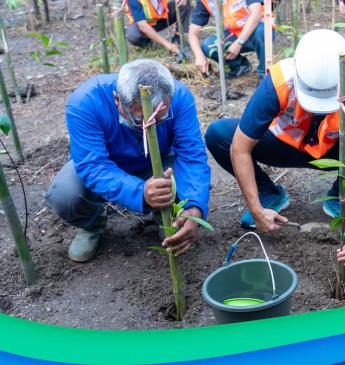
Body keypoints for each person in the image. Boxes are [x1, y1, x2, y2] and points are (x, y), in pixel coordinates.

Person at [204, 29, 345, 266]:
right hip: (283, 145)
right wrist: (255, 208)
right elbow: (240, 148)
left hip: (336, 152)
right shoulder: (280, 80)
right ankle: (268, 195)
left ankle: (341, 198)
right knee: (219, 135)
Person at [45, 59, 211, 262]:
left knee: (192, 185)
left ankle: (167, 217)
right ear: (117, 100)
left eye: (161, 118)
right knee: (65, 194)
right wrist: (140, 192)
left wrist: (194, 207)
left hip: (160, 165)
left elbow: (192, 156)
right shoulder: (85, 102)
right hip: (108, 166)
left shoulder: (179, 96)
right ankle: (92, 224)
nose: (151, 125)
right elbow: (93, 165)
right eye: (141, 119)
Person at [188, 0, 274, 81]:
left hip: (259, 30)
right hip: (234, 34)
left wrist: (239, 42)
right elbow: (193, 32)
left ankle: (264, 75)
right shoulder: (204, 1)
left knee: (263, 31)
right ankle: (240, 66)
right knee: (208, 45)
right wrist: (199, 56)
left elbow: (256, 14)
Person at [125, 0, 190, 57]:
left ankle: (177, 39)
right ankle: (148, 42)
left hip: (160, 18)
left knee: (183, 3)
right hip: (144, 25)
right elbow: (142, 25)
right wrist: (168, 45)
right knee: (133, 36)